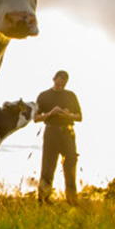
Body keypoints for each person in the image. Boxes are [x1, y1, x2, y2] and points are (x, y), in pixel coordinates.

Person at [34, 70, 82, 204]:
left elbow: (80, 117)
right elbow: (36, 118)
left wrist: (69, 116)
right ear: (53, 79)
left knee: (70, 165)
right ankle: (43, 199)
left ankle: (72, 199)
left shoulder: (71, 95)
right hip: (51, 133)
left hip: (68, 133)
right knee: (48, 167)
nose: (60, 87)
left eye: (63, 85)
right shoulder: (43, 96)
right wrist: (50, 113)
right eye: (58, 84)